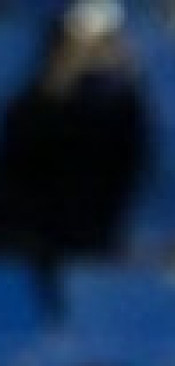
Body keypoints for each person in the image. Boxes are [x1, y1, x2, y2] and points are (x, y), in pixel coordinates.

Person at [0, 2, 154, 283]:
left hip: (91, 240)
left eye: (103, 42)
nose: (92, 52)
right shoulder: (32, 103)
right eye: (82, 42)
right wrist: (59, 81)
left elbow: (127, 168)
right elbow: (20, 161)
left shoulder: (124, 109)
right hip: (26, 239)